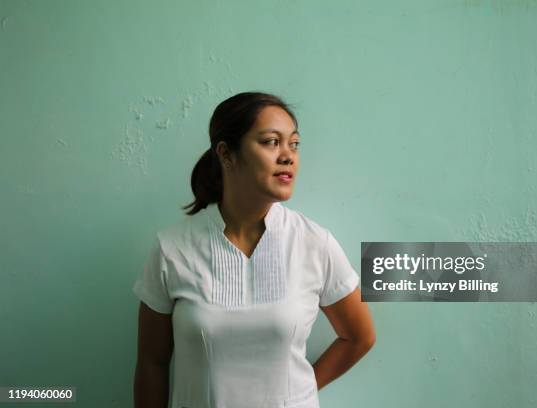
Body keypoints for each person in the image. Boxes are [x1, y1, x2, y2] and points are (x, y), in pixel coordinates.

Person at [132, 91, 376, 408]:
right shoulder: (172, 249)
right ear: (227, 154)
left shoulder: (314, 243)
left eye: (294, 143)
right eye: (271, 142)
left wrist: (297, 394)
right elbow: (151, 363)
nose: (288, 155)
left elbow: (360, 337)